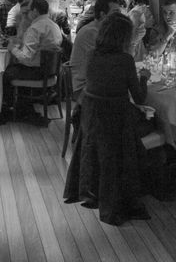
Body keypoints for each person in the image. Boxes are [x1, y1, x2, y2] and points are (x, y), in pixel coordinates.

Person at [63, 12, 153, 226]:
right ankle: (150, 183)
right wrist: (144, 78)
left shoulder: (93, 54)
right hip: (116, 125)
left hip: (92, 120)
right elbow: (139, 98)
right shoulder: (125, 60)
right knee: (154, 122)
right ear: (124, 37)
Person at [4, 0, 63, 119]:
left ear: (35, 11)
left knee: (5, 72)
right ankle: (21, 106)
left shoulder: (35, 28)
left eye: (29, 10)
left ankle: (11, 109)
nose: (28, 13)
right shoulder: (54, 25)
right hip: (50, 72)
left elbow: (26, 58)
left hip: (37, 72)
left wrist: (11, 48)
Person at [70, 0, 120, 102]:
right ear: (103, 14)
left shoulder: (103, 31)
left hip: (96, 83)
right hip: (84, 89)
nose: (119, 17)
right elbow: (102, 66)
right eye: (116, 13)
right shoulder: (91, 33)